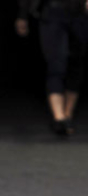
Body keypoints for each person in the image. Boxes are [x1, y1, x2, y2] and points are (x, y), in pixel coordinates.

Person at [15, 0, 88, 135]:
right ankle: (59, 118)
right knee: (56, 64)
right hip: (53, 12)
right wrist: (22, 15)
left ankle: (67, 115)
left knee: (76, 64)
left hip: (80, 13)